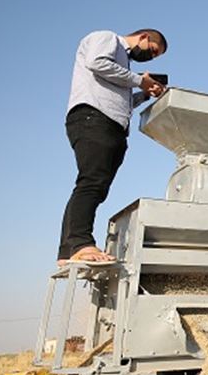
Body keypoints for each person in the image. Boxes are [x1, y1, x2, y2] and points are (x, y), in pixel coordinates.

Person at [57, 29, 168, 266]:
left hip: (111, 122)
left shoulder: (123, 64)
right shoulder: (108, 39)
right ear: (144, 38)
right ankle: (81, 242)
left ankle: (69, 249)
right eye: (153, 51)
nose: (150, 57)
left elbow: (121, 99)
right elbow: (96, 62)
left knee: (94, 184)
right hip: (94, 117)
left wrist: (145, 93)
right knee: (92, 182)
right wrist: (140, 80)